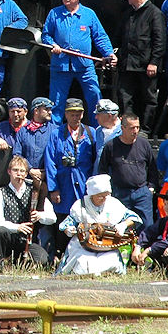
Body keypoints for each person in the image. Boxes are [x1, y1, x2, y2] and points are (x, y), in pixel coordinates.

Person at [41, 0, 116, 119]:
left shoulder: (89, 14)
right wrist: (53, 44)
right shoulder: (54, 13)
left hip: (84, 65)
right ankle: (54, 133)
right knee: (56, 102)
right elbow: (46, 35)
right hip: (61, 65)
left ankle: (99, 131)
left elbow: (100, 37)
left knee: (95, 97)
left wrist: (109, 53)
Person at [44, 99, 99, 257]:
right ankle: (60, 253)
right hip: (64, 184)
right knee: (62, 219)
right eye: (72, 114)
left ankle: (85, 251)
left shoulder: (90, 133)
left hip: (84, 184)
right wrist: (53, 189)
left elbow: (96, 161)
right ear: (66, 114)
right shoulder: (57, 134)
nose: (76, 117)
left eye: (79, 114)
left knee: (84, 218)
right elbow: (50, 163)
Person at [57, 173, 139, 275]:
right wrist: (69, 229)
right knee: (84, 266)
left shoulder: (113, 203)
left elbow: (133, 218)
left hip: (107, 245)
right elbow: (66, 224)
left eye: (106, 195)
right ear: (92, 194)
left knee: (112, 261)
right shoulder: (80, 205)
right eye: (100, 196)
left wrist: (123, 225)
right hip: (84, 246)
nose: (104, 199)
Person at [116, 0, 166, 132]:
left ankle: (145, 129)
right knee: (124, 96)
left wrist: (154, 62)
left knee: (149, 98)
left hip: (146, 64)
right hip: (128, 63)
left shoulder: (155, 14)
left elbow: (160, 40)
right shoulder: (128, 13)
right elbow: (121, 36)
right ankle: (127, 126)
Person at [0, 155, 56, 267]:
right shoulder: (0, 193)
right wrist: (17, 227)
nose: (19, 174)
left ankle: (20, 262)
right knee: (0, 231)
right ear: (9, 172)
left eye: (22, 171)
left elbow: (53, 218)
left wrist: (40, 215)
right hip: (8, 240)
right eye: (15, 170)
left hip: (27, 242)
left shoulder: (35, 191)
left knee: (44, 261)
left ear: (26, 174)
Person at [98, 113, 158, 232]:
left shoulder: (144, 144)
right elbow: (102, 170)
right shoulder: (111, 146)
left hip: (141, 192)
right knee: (120, 226)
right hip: (120, 193)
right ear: (122, 128)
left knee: (147, 226)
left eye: (137, 127)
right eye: (132, 128)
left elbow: (152, 168)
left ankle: (143, 250)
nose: (135, 131)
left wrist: (151, 188)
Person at [92, 99, 121, 172]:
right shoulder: (98, 131)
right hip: (98, 178)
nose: (96, 117)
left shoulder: (123, 132)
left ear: (109, 115)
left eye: (98, 114)